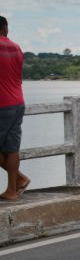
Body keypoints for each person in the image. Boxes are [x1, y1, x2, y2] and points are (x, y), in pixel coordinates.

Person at [0, 15, 29, 200]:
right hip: (18, 102)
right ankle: (12, 189)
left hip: (1, 104)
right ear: (4, 29)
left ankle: (19, 178)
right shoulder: (16, 48)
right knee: (12, 148)